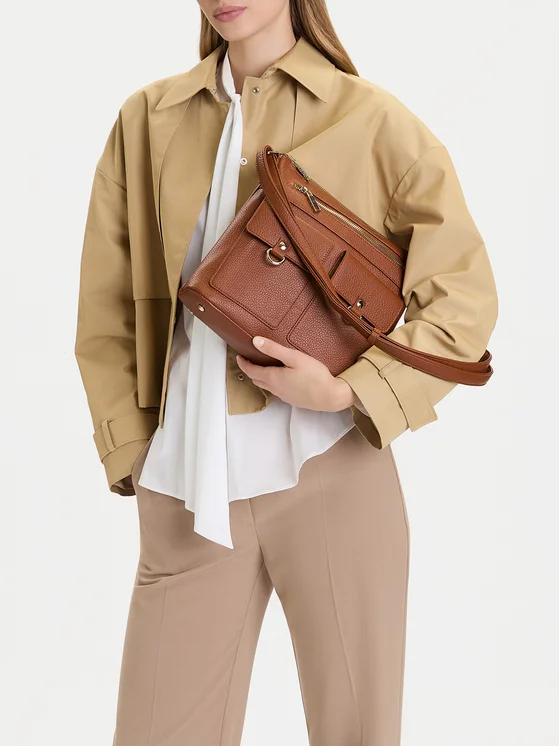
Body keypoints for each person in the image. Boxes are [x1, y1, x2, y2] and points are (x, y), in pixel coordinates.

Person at [74, 1, 499, 744]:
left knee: (357, 733)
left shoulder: (370, 119)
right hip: (187, 488)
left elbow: (463, 297)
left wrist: (351, 391)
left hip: (332, 474)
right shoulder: (147, 119)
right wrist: (135, 453)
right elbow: (106, 308)